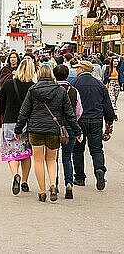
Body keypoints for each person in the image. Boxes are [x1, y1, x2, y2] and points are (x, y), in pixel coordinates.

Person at [15, 65, 82, 202]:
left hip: (35, 129)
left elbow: (24, 111)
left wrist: (18, 129)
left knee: (38, 160)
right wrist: (77, 131)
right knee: (51, 160)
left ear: (38, 75)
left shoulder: (33, 90)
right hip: (53, 129)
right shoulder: (60, 91)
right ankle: (53, 184)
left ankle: (42, 191)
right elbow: (69, 114)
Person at [72, 60, 116, 191]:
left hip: (80, 121)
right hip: (96, 120)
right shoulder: (100, 84)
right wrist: (109, 121)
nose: (76, 70)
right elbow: (107, 104)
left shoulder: (74, 83)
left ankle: (79, 177)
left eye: (78, 68)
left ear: (82, 69)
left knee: (78, 150)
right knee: (96, 149)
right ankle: (99, 169)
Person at [0, 58, 35, 195]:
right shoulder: (33, 86)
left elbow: (1, 104)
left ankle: (15, 175)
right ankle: (25, 181)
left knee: (12, 153)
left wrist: (4, 115)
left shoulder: (8, 84)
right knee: (26, 153)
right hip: (27, 123)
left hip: (9, 121)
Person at [53, 64, 83, 199]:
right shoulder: (73, 90)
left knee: (53, 158)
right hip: (70, 127)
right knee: (67, 157)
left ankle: (55, 183)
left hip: (54, 127)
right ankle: (69, 183)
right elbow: (78, 111)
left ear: (54, 75)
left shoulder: (52, 89)